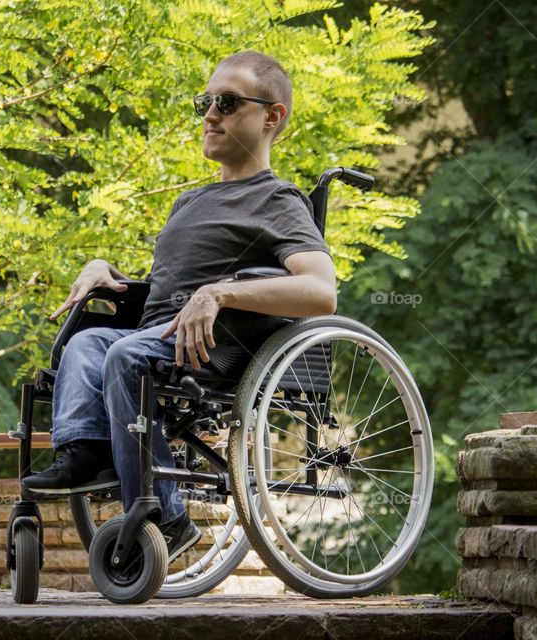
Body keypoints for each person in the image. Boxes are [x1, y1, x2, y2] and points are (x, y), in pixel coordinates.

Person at [21, 51, 338, 563]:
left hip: (219, 346)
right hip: (153, 335)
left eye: (228, 102)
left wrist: (219, 294)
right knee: (86, 342)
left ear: (272, 116)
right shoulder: (188, 202)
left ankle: (167, 518)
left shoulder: (277, 200)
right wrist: (110, 274)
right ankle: (86, 455)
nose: (210, 114)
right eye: (206, 102)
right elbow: (164, 291)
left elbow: (320, 292)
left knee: (123, 355)